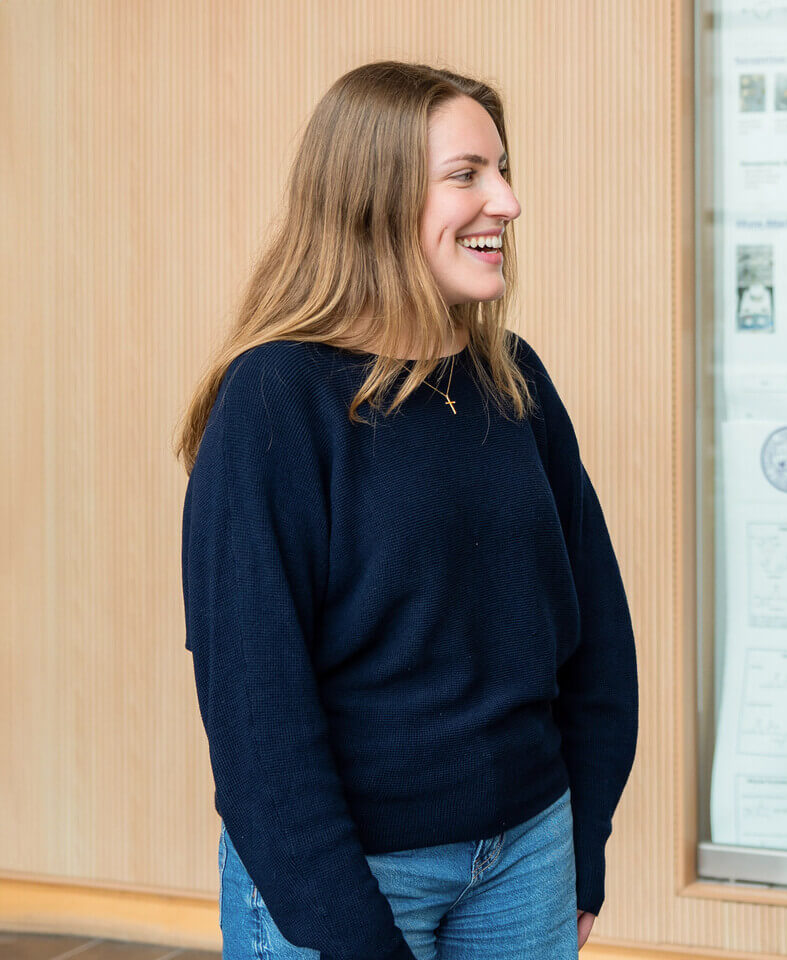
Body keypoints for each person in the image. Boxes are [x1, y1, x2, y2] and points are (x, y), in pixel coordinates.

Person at [176, 61, 638, 960]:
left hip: (528, 858)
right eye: (466, 175)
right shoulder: (277, 398)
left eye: (501, 171)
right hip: (348, 882)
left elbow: (597, 638)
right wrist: (350, 933)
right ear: (371, 199)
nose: (506, 201)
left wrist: (583, 843)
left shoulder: (515, 377)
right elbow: (255, 714)